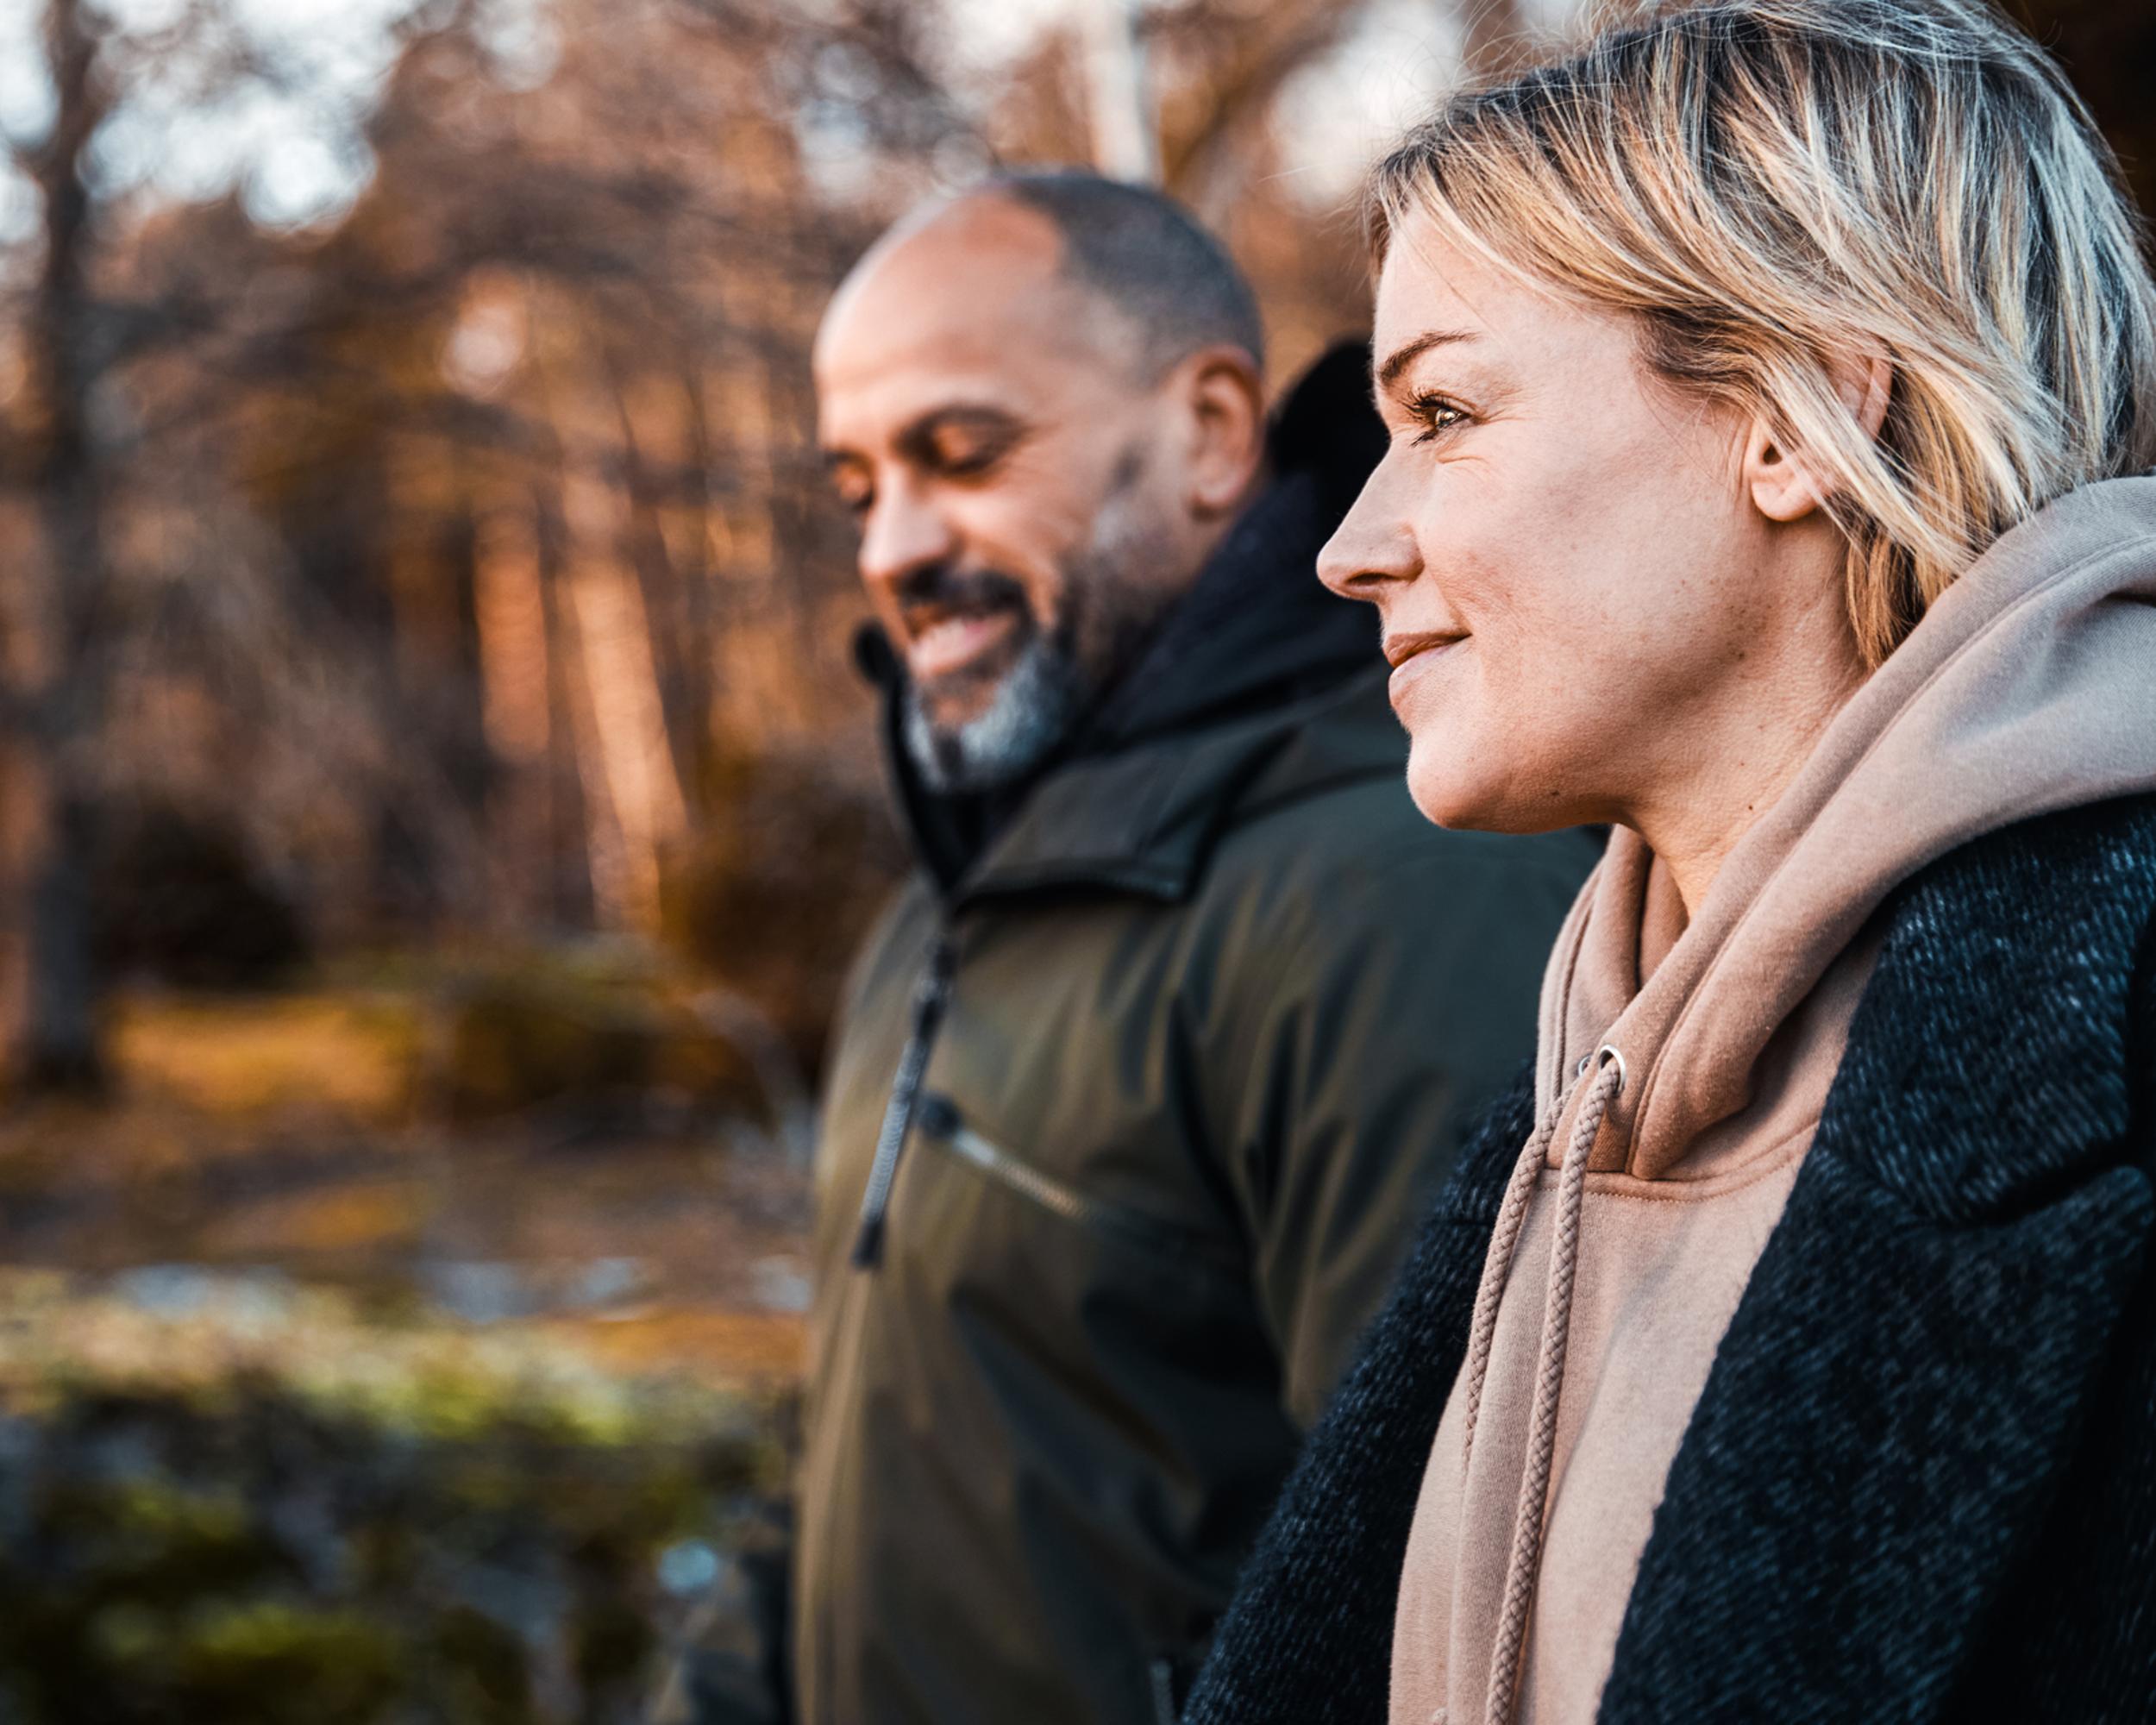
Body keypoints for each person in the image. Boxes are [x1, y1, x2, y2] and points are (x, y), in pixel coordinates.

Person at [1181, 3, 2156, 1722]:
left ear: (1798, 410)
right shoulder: (1576, 1097)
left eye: (1444, 410)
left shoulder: (2112, 1070)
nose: (1347, 546)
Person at [655, 173, 1598, 1725]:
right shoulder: (944, 903)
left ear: (1212, 432)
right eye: (857, 487)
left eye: (963, 456)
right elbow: (856, 1455)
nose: (893, 545)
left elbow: (1454, 1606)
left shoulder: (1397, 887)